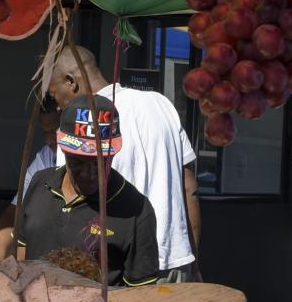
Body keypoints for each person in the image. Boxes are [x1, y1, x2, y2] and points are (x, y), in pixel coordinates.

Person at [44, 45, 200, 281]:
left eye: (55, 95)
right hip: (176, 263)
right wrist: (194, 264)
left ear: (71, 82)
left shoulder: (77, 129)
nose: (57, 106)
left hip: (118, 271)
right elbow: (190, 189)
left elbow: (71, 205)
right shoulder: (162, 104)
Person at [13, 94, 160, 287]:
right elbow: (22, 255)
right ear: (63, 150)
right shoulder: (39, 183)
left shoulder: (137, 211)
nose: (91, 173)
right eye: (78, 161)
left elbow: (142, 299)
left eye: (101, 162)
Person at [0, 99, 62, 281]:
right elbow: (13, 214)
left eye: (55, 131)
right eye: (45, 132)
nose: (50, 139)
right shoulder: (46, 158)